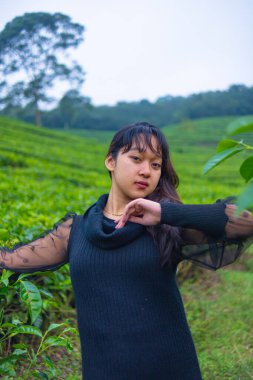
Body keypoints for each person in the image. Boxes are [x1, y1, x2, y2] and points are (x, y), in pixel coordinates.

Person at [1, 122, 253, 380]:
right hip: (105, 371)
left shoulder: (167, 226)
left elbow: (245, 223)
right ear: (111, 161)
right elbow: (9, 259)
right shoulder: (75, 231)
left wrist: (166, 212)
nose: (146, 171)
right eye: (136, 158)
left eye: (156, 165)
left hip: (169, 368)